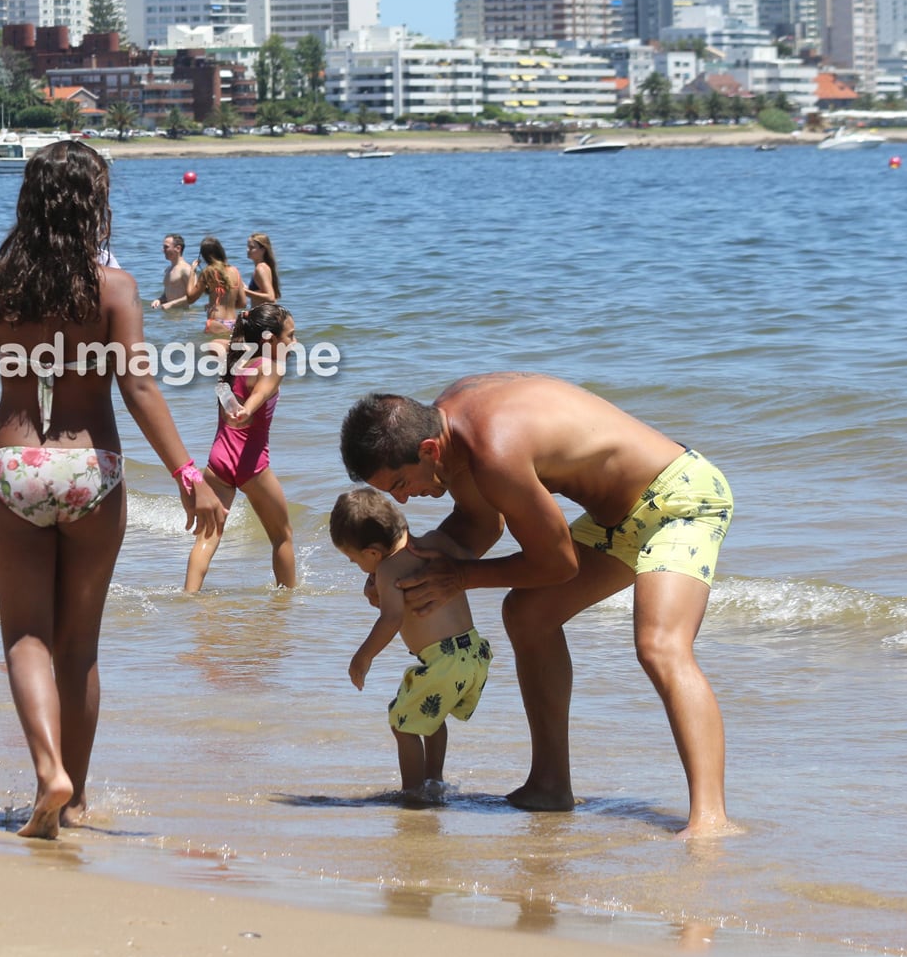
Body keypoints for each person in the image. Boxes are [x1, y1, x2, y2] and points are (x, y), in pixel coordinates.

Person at [0, 140, 226, 840]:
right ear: (95, 205)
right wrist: (189, 474)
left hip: (16, 466)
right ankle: (78, 799)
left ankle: (47, 773)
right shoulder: (114, 288)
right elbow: (139, 385)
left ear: (29, 201)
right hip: (90, 469)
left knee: (26, 632)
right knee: (79, 645)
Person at [339, 374, 736, 837]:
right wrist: (403, 572)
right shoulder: (453, 434)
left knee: (660, 646)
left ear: (428, 449)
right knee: (528, 614)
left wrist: (461, 577)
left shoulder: (493, 450)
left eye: (402, 483)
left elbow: (559, 564)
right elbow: (477, 525)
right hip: (618, 519)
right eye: (392, 493)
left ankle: (711, 820)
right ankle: (550, 785)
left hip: (680, 499)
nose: (404, 499)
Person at [331, 487, 490, 801]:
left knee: (402, 724)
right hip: (474, 652)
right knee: (432, 717)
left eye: (354, 559)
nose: (356, 565)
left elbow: (390, 619)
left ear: (374, 553)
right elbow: (471, 563)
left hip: (443, 661)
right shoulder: (436, 541)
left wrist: (363, 657)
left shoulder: (389, 569)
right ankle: (434, 782)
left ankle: (413, 794)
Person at [183, 302, 297, 591]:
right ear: (270, 340)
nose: (294, 343)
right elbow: (261, 392)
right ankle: (289, 601)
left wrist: (237, 334)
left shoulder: (233, 363)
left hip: (218, 461)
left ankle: (189, 595)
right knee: (282, 536)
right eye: (291, 336)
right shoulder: (272, 367)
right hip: (251, 464)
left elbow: (215, 344)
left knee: (207, 539)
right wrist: (247, 410)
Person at [158, 236, 247, 337]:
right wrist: (221, 305)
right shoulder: (235, 271)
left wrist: (192, 272)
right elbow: (243, 303)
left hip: (216, 323)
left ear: (205, 256)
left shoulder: (208, 271)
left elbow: (190, 298)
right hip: (234, 323)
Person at [147, 233, 194, 309]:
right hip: (169, 316)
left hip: (183, 317)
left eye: (166, 247)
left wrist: (171, 304)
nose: (163, 250)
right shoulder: (168, 269)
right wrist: (159, 300)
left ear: (178, 248)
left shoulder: (186, 269)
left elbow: (193, 296)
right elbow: (168, 293)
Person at [245, 232, 281, 304]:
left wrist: (244, 291)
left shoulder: (261, 268)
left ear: (263, 250)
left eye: (251, 247)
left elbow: (270, 297)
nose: (247, 250)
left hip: (263, 314)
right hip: (261, 313)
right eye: (247, 247)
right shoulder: (263, 267)